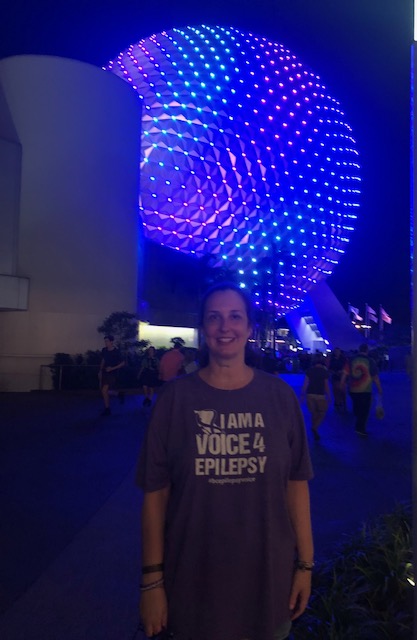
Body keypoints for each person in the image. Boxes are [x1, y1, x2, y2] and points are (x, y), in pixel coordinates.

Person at [137, 282, 314, 640]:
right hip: (192, 584)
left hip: (268, 583)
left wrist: (305, 565)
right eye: (214, 318)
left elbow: (296, 486)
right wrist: (152, 582)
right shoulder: (175, 400)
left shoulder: (279, 397)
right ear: (203, 328)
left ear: (250, 328)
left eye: (235, 317)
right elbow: (156, 496)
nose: (225, 327)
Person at [341, 343, 383, 437]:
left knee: (357, 406)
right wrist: (379, 389)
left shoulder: (351, 360)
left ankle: (357, 416)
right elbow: (375, 377)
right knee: (364, 410)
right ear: (367, 351)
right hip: (365, 390)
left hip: (353, 389)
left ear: (359, 350)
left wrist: (342, 384)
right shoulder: (370, 361)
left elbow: (345, 373)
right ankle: (360, 428)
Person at [300, 353, 331, 441]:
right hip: (320, 394)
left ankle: (314, 427)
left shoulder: (309, 371)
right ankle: (315, 427)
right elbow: (326, 385)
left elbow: (305, 383)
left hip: (310, 393)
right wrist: (329, 396)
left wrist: (302, 394)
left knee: (314, 413)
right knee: (321, 412)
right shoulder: (324, 372)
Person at [98, 335, 125, 416]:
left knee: (104, 390)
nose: (105, 343)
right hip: (105, 372)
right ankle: (119, 394)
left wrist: (112, 368)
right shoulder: (104, 350)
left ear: (111, 342)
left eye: (107, 341)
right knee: (105, 391)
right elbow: (103, 360)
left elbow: (123, 363)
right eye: (105, 341)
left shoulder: (116, 352)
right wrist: (100, 370)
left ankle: (107, 409)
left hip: (113, 373)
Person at [327, 347, 347, 412]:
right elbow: (329, 368)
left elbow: (346, 367)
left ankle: (343, 403)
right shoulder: (332, 360)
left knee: (342, 391)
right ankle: (337, 403)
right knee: (336, 391)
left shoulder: (343, 359)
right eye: (336, 351)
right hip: (335, 377)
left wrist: (341, 371)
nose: (337, 353)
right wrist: (333, 372)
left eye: (338, 351)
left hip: (342, 377)